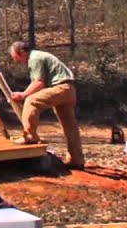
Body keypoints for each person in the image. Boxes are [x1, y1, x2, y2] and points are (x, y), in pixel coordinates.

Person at [8, 40, 84, 169]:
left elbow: (39, 83)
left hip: (61, 88)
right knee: (69, 125)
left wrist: (23, 94)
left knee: (31, 101)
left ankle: (30, 135)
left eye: (15, 57)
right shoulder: (39, 56)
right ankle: (76, 160)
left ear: (22, 52)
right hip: (69, 90)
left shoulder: (35, 58)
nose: (16, 61)